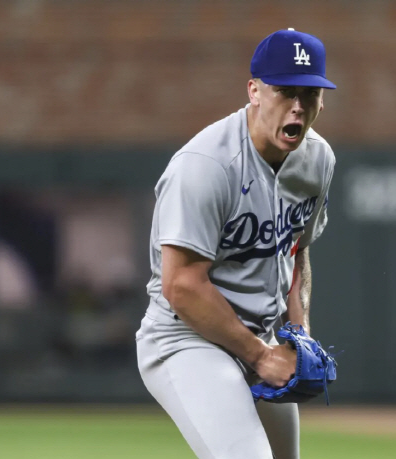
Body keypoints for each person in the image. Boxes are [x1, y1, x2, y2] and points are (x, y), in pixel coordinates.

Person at [135, 28, 336, 459]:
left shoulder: (318, 159)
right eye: (284, 90)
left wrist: (297, 333)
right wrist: (262, 358)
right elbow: (182, 285)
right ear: (255, 91)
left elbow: (295, 252)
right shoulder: (205, 164)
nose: (298, 105)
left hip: (259, 336)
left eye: (310, 93)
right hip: (186, 339)